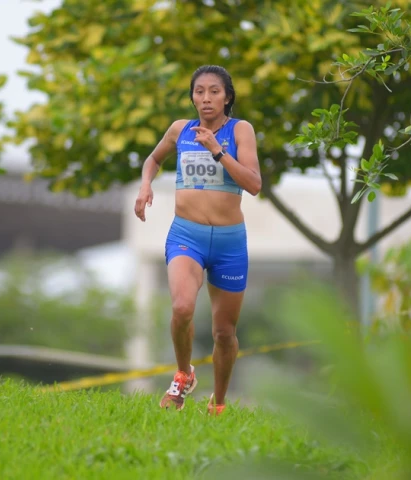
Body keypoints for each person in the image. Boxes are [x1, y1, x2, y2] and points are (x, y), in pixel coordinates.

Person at [133, 65, 262, 415]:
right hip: (186, 235)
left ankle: (218, 403)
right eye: (199, 91)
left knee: (224, 333)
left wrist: (218, 151)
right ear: (192, 97)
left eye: (214, 91)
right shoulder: (180, 130)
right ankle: (183, 374)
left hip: (229, 243)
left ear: (227, 97)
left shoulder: (241, 130)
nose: (206, 98)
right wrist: (145, 185)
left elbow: (254, 184)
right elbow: (153, 159)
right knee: (181, 308)